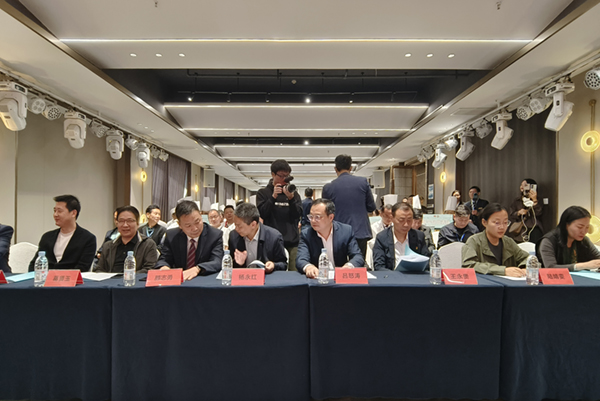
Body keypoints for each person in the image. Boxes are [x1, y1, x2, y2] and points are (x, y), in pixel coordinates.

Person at [322, 154, 377, 259]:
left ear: (335, 169)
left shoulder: (328, 187)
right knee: (358, 263)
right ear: (351, 168)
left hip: (338, 233)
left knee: (340, 264)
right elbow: (371, 207)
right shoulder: (363, 182)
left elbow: (326, 212)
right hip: (360, 231)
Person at [296, 198, 364, 278]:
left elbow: (357, 256)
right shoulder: (306, 234)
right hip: (318, 279)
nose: (313, 221)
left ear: (331, 217)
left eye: (317, 217)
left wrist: (349, 266)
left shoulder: (346, 231)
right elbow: (301, 259)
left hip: (340, 279)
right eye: (311, 216)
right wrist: (308, 267)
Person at [156, 200, 224, 279]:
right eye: (188, 225)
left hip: (203, 281)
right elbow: (164, 259)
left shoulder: (214, 235)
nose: (195, 228)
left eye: (197, 222)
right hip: (179, 281)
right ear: (179, 224)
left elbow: (217, 261)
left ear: (201, 216)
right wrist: (164, 267)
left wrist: (198, 268)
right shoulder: (172, 236)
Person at [28, 195, 96, 271]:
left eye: (59, 211)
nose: (55, 214)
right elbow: (34, 264)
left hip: (71, 278)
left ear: (73, 213)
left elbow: (82, 268)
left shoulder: (88, 239)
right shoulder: (47, 237)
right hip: (45, 277)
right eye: (55, 211)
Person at [257, 159, 302, 271]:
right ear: (273, 174)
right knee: (272, 273)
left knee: (294, 274)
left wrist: (291, 199)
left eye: (287, 176)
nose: (284, 179)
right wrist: (273, 197)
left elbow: (298, 215)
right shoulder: (263, 193)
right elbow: (262, 214)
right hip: (272, 241)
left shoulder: (294, 194)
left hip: (292, 241)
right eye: (281, 176)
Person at [461, 203, 529, 277]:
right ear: (484, 222)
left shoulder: (508, 242)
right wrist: (503, 271)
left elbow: (528, 259)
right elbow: (468, 265)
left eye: (505, 222)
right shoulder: (474, 241)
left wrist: (524, 269)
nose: (502, 227)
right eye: (497, 223)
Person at [95, 206, 158, 273]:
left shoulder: (148, 244)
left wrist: (128, 276)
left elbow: (149, 270)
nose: (125, 225)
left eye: (130, 221)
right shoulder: (108, 246)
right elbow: (99, 269)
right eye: (121, 221)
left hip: (135, 279)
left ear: (137, 224)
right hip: (110, 279)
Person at [228, 202, 287, 273]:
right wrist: (239, 263)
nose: (236, 229)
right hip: (243, 277)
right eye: (235, 225)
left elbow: (283, 265)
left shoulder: (274, 237)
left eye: (239, 226)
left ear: (253, 224)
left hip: (266, 277)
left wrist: (273, 265)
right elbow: (229, 266)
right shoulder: (234, 236)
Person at [537, 206, 600, 270]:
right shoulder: (548, 241)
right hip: (556, 276)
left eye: (587, 227)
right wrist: (582, 266)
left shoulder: (584, 240)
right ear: (566, 225)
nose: (584, 231)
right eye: (580, 227)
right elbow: (551, 267)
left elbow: (598, 258)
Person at [372, 202, 430, 271]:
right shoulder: (382, 237)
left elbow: (426, 262)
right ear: (392, 219)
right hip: (391, 276)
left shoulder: (419, 236)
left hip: (414, 275)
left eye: (409, 220)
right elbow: (379, 267)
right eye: (401, 220)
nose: (406, 224)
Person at [508, 178, 543, 243]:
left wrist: (534, 200)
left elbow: (538, 213)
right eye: (521, 185)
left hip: (534, 228)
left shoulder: (538, 200)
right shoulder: (517, 200)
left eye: (525, 185)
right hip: (521, 229)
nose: (522, 187)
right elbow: (511, 215)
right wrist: (519, 213)